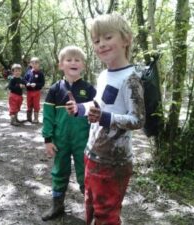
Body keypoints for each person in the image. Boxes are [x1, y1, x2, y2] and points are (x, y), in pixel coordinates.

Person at [66, 13, 146, 225]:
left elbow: (138, 120)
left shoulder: (131, 78)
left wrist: (105, 118)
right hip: (92, 153)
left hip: (114, 161)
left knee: (107, 214)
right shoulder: (103, 76)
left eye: (108, 37)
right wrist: (79, 109)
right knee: (90, 203)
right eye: (96, 40)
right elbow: (98, 106)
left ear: (126, 39)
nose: (101, 44)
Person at [41, 45, 96, 221]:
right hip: (60, 140)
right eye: (69, 60)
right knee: (59, 171)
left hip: (84, 141)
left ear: (83, 65)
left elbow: (97, 114)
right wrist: (47, 139)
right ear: (60, 65)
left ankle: (92, 211)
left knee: (85, 173)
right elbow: (48, 116)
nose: (73, 62)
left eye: (77, 60)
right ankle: (57, 206)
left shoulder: (89, 89)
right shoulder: (55, 89)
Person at [23, 57, 45, 123]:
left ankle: (36, 119)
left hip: (36, 92)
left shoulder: (40, 73)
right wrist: (27, 83)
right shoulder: (28, 72)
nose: (34, 64)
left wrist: (36, 84)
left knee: (36, 105)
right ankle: (28, 118)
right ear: (30, 64)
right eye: (32, 63)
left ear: (39, 64)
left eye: (36, 63)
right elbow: (24, 79)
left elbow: (42, 83)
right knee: (29, 104)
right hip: (29, 92)